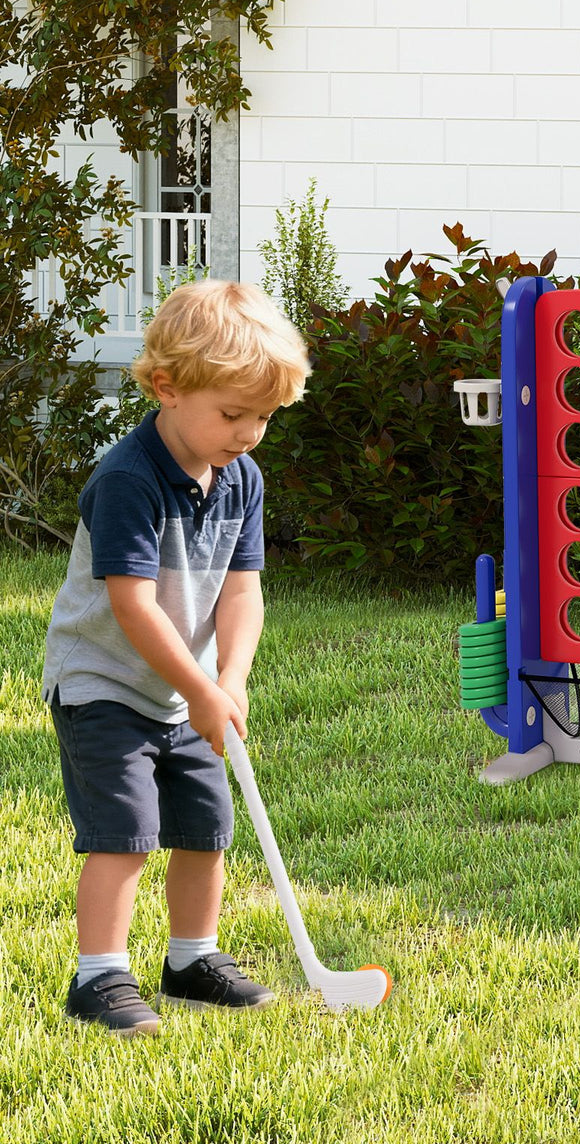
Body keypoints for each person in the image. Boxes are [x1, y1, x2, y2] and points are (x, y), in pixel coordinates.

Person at [42, 280, 311, 1035]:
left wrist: (228, 678)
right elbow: (134, 605)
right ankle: (98, 978)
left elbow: (241, 593)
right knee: (125, 832)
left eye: (264, 416)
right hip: (104, 687)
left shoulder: (241, 478)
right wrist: (198, 685)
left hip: (186, 690)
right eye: (234, 414)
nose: (251, 432)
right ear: (168, 386)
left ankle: (192, 961)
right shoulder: (129, 479)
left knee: (205, 824)